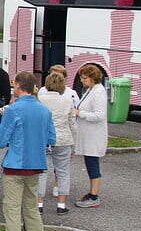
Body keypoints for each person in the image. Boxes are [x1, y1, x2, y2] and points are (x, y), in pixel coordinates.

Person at [0, 71, 54, 231]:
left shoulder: (13, 110)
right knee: (31, 209)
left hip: (15, 165)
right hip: (36, 164)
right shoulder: (44, 111)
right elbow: (51, 138)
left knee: (12, 212)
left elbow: (2, 140)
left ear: (19, 86)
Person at [37, 71, 76, 214]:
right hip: (63, 139)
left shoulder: (39, 99)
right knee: (63, 172)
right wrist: (74, 145)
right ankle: (61, 205)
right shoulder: (67, 101)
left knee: (41, 171)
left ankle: (39, 204)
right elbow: (73, 124)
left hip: (42, 139)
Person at [74, 65, 107, 208]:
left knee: (93, 164)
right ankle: (92, 193)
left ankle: (94, 196)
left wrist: (80, 113)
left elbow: (99, 115)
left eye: (84, 78)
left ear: (93, 78)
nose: (82, 81)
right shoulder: (91, 90)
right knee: (90, 163)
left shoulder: (98, 92)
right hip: (88, 135)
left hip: (94, 136)